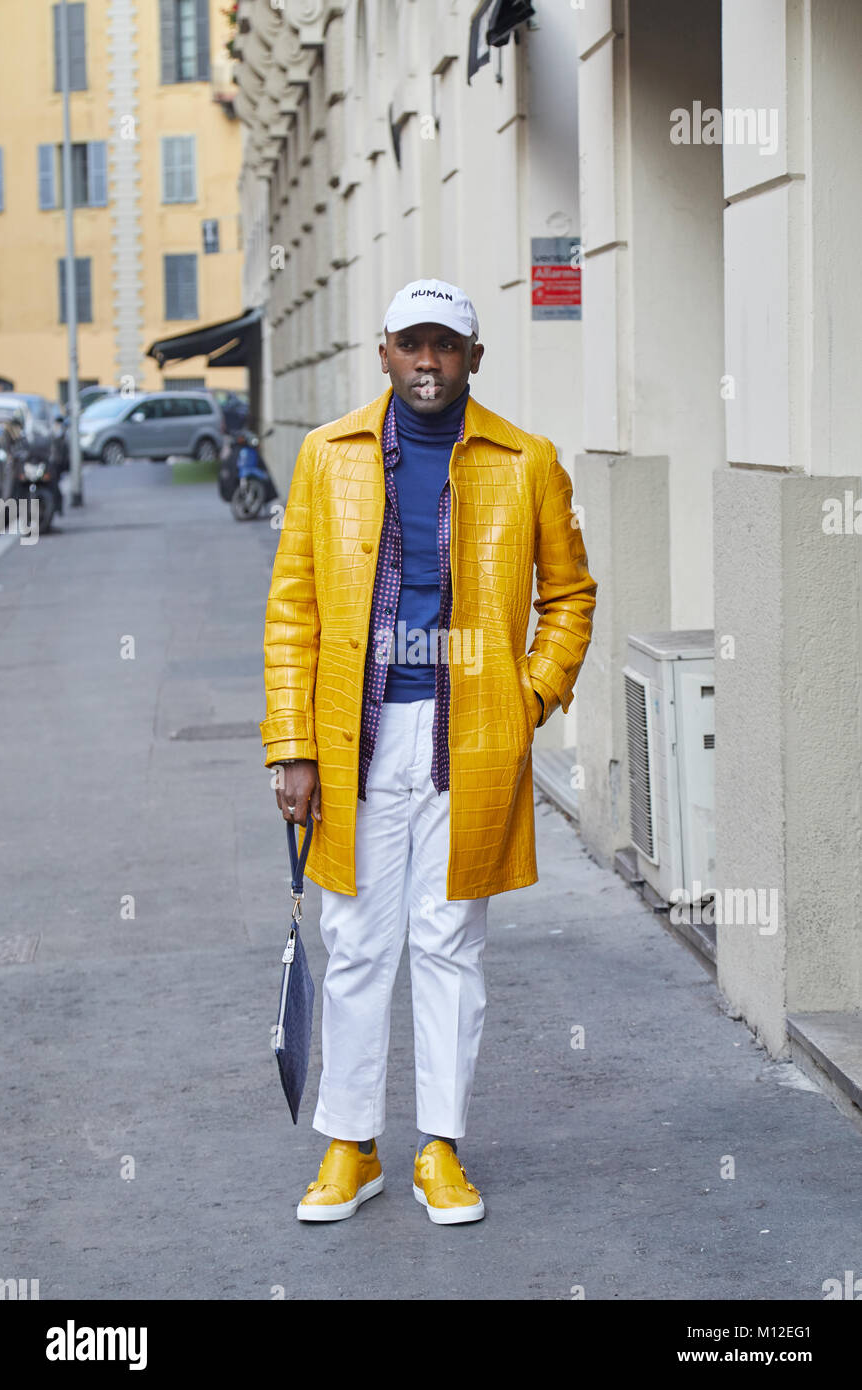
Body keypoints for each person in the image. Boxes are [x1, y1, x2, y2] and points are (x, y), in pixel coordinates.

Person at [260, 277, 597, 1224]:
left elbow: (570, 597)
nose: (428, 362)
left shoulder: (527, 461)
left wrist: (528, 700)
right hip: (350, 733)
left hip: (470, 736)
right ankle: (352, 1146)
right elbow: (293, 610)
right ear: (384, 354)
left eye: (446, 346)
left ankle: (439, 1148)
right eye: (411, 344)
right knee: (358, 941)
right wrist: (291, 745)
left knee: (449, 944)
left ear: (474, 360)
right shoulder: (326, 460)